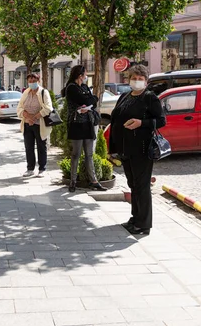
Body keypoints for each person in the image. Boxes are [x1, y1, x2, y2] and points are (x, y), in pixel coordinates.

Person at [108, 65, 166, 235]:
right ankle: (135, 218)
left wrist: (142, 123)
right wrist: (113, 147)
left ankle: (144, 224)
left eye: (141, 79)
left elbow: (161, 120)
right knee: (132, 184)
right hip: (126, 149)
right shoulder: (125, 96)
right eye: (134, 78)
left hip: (141, 148)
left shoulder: (149, 98)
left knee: (142, 186)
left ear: (146, 82)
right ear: (129, 79)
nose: (137, 81)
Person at [62, 65, 106, 193]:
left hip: (88, 122)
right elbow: (85, 100)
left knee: (89, 154)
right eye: (85, 74)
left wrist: (90, 100)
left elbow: (92, 101)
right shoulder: (71, 88)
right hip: (76, 123)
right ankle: (73, 181)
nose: (86, 76)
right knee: (76, 154)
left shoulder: (85, 87)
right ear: (80, 75)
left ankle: (94, 181)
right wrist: (90, 100)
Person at [17, 74, 53, 177]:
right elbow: (19, 107)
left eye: (34, 80)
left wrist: (35, 117)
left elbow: (48, 108)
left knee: (41, 146)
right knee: (29, 147)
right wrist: (27, 117)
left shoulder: (43, 92)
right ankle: (30, 168)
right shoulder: (26, 92)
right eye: (30, 80)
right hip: (27, 124)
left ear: (38, 80)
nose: (32, 82)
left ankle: (42, 168)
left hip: (39, 124)